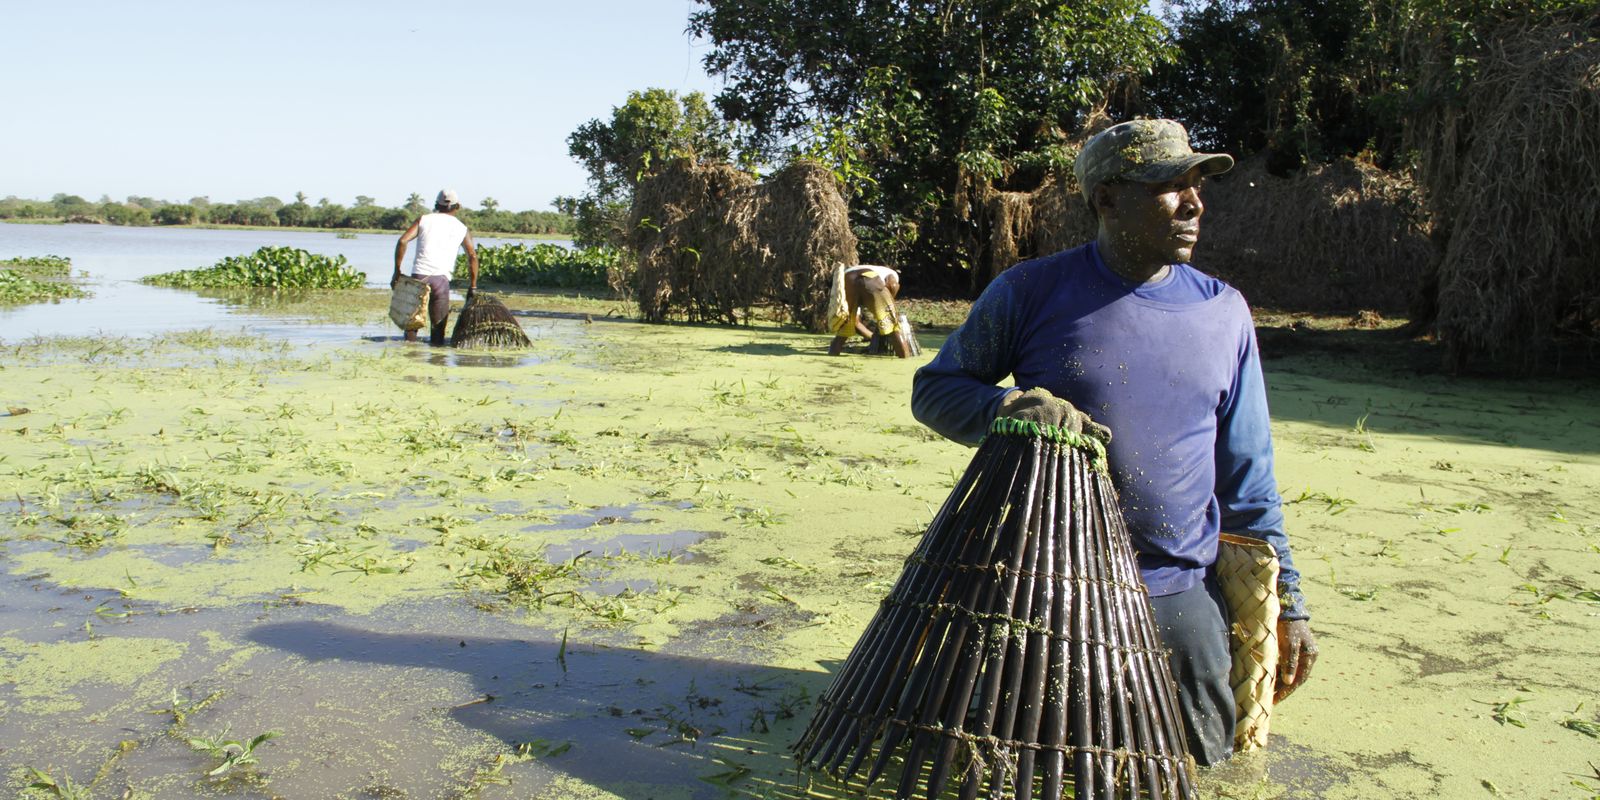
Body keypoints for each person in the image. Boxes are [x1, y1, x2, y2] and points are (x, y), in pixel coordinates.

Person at [910, 119, 1317, 766]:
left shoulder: (1223, 313)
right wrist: (1009, 408)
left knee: (1198, 768)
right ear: (1106, 199)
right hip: (1050, 596)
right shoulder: (1030, 292)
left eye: (1196, 185)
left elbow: (1248, 479)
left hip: (1178, 598)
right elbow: (937, 388)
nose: (1194, 203)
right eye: (1169, 186)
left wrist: (1289, 602)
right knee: (1035, 768)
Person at [393, 189, 479, 345]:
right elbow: (472, 256)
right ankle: (437, 360)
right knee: (438, 330)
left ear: (436, 205)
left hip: (419, 277)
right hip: (441, 280)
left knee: (411, 327)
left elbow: (403, 241)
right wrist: (473, 286)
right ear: (457, 206)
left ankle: (409, 358)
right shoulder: (461, 228)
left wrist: (397, 272)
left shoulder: (424, 219)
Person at [829, 265, 911, 357]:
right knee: (893, 327)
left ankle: (833, 355)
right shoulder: (891, 273)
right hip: (870, 279)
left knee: (843, 330)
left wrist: (872, 337)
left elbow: (855, 322)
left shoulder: (856, 270)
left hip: (846, 281)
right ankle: (905, 357)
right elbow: (893, 285)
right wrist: (890, 310)